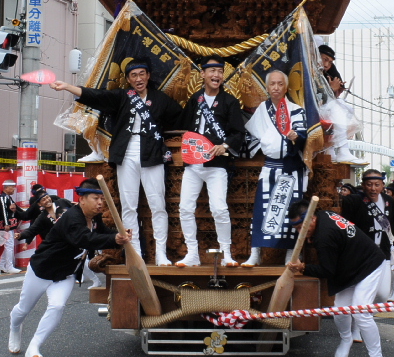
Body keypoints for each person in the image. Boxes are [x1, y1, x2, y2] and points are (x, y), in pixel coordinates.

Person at [51, 61, 183, 265]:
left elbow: (180, 117)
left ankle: (161, 254)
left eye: (142, 74)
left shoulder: (160, 99)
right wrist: (68, 86)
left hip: (153, 154)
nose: (138, 79)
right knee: (129, 206)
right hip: (126, 154)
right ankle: (134, 253)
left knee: (158, 205)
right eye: (134, 75)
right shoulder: (122, 96)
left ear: (148, 76)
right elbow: (96, 96)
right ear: (128, 79)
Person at [8, 180, 129, 357]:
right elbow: (84, 239)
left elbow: (103, 232)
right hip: (42, 270)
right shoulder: (72, 218)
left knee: (57, 306)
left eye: (102, 199)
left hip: (66, 273)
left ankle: (34, 347)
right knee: (23, 309)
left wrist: (119, 235)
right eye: (96, 198)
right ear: (82, 199)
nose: (100, 203)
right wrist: (114, 240)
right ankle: (15, 327)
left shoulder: (94, 217)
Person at [286, 199, 387, 357]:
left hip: (368, 264)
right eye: (297, 229)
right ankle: (346, 339)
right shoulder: (324, 214)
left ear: (312, 218)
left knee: (360, 312)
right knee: (339, 311)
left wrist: (303, 267)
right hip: (348, 267)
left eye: (302, 227)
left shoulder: (324, 237)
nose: (300, 231)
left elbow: (326, 270)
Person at [177, 54, 246, 267]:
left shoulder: (229, 102)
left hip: (217, 165)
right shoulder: (195, 99)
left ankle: (226, 254)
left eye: (220, 72)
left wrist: (224, 145)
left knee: (219, 209)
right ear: (203, 74)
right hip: (193, 164)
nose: (216, 75)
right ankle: (192, 254)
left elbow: (239, 133)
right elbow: (184, 126)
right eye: (212, 71)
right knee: (185, 208)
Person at [243, 70, 308, 267]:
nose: (276, 87)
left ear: (286, 87)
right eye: (273, 84)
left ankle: (292, 254)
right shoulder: (262, 109)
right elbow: (251, 134)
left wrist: (296, 137)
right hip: (270, 167)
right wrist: (263, 143)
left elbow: (304, 135)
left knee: (293, 211)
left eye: (280, 84)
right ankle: (255, 253)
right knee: (262, 210)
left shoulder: (296, 110)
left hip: (291, 169)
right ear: (267, 87)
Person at [340, 170, 394, 303]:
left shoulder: (388, 201)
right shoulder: (353, 201)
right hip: (362, 255)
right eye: (369, 184)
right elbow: (346, 226)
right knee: (362, 292)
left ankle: (366, 311)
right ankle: (362, 313)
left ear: (383, 185)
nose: (373, 188)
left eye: (377, 184)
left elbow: (393, 224)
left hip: (383, 253)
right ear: (363, 185)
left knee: (383, 294)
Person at [0, 179, 23, 275]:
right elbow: (4, 211)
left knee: (8, 245)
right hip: (6, 226)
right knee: (9, 246)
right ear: (6, 188)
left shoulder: (8, 198)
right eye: (12, 187)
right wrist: (6, 224)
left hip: (9, 225)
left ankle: (2, 264)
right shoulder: (3, 198)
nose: (13, 189)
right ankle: (9, 266)